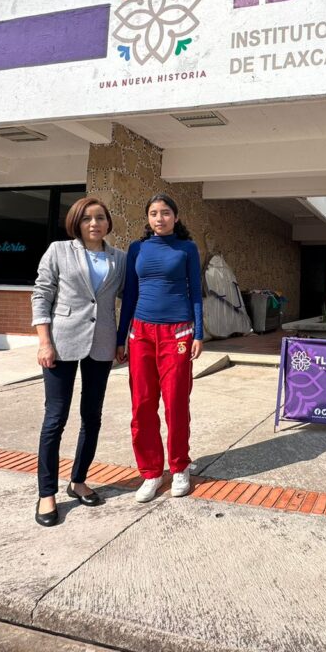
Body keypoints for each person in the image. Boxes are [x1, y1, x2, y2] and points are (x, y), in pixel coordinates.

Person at [31, 197, 126, 527]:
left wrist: (123, 339)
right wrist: (44, 342)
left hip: (102, 344)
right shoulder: (59, 250)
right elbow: (41, 294)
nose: (94, 223)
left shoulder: (119, 258)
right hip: (61, 342)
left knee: (92, 416)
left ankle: (79, 480)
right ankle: (46, 493)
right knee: (55, 418)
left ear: (108, 222)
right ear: (76, 222)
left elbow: (129, 298)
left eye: (100, 217)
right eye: (87, 218)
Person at [117, 193, 203, 502]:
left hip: (178, 332)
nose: (159, 218)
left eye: (165, 212)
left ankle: (179, 467)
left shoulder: (187, 248)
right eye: (153, 213)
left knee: (175, 402)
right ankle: (151, 472)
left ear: (175, 217)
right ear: (148, 218)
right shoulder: (137, 249)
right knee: (142, 404)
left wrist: (199, 333)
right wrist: (120, 337)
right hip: (141, 332)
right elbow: (130, 294)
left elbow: (196, 293)